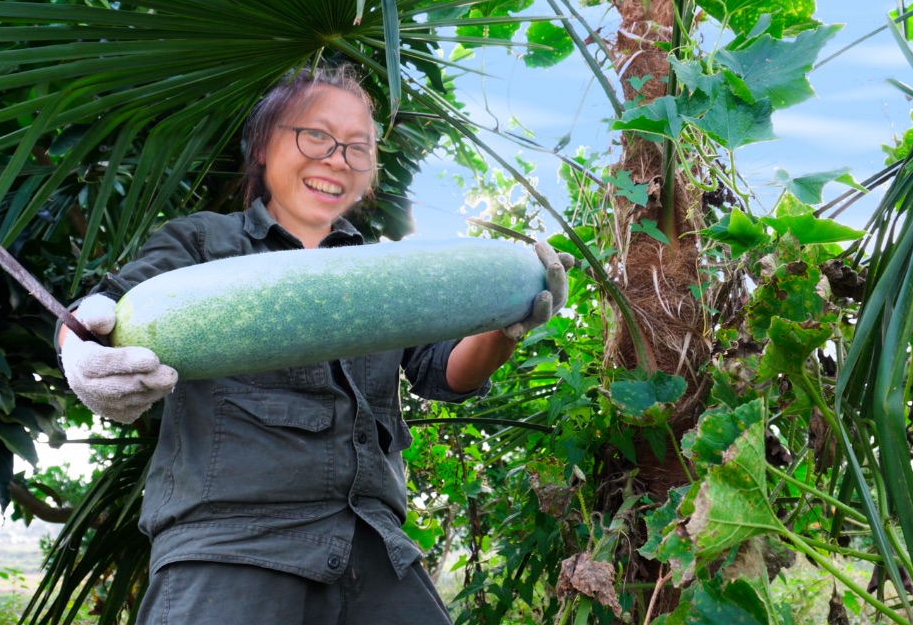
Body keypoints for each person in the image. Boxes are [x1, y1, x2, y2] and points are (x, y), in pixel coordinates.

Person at [57, 65, 572, 624]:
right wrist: (77, 350)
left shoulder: (389, 270)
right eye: (317, 136)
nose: (337, 158)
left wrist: (504, 325)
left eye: (359, 146)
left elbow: (443, 373)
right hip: (229, 548)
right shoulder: (201, 240)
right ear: (262, 145)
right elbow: (99, 313)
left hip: (374, 545)